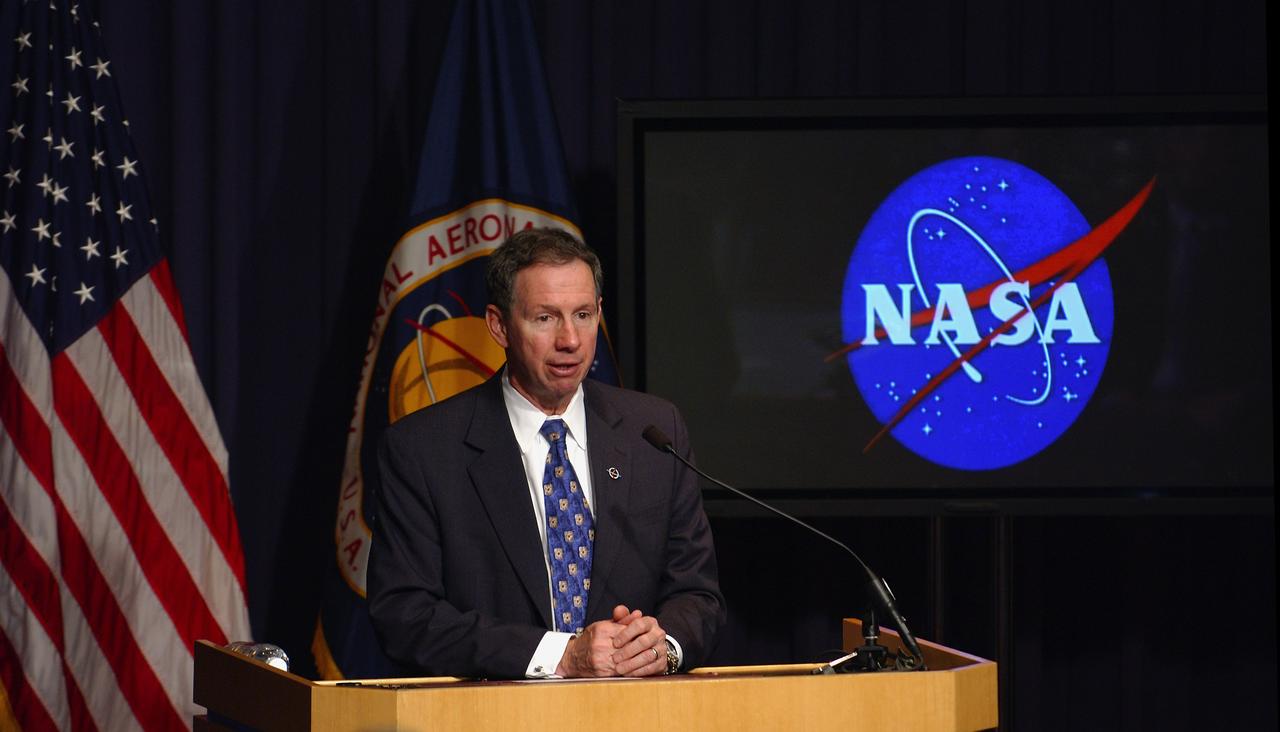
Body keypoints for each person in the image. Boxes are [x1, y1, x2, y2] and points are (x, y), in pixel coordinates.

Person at [368, 227, 725, 679]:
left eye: (582, 314)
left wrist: (662, 647)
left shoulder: (652, 431)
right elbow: (404, 616)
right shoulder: (423, 449)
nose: (570, 340)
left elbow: (699, 595)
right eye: (544, 318)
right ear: (499, 325)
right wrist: (561, 655)